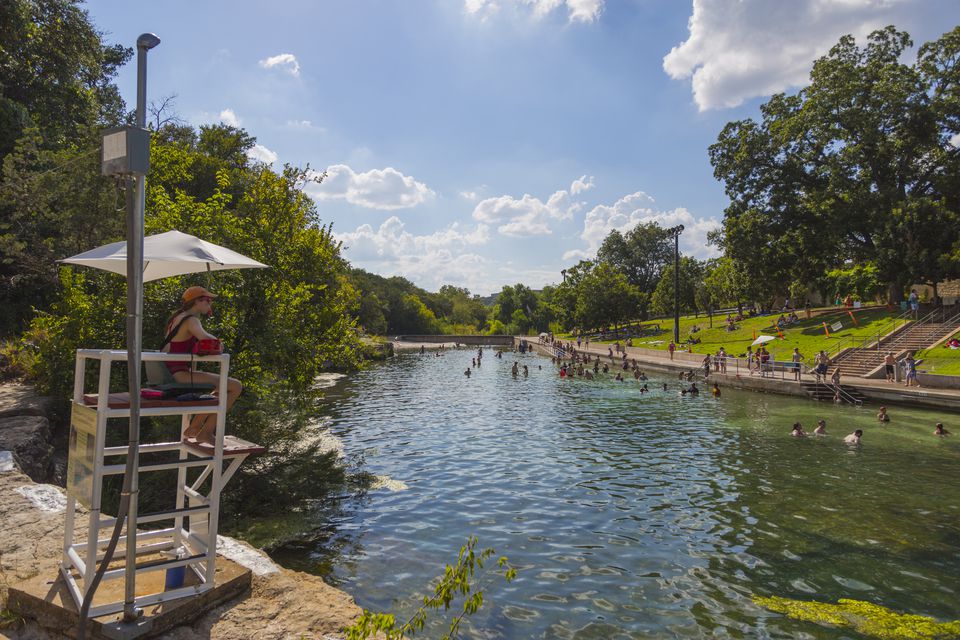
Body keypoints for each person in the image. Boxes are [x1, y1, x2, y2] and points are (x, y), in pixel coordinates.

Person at [162, 286, 243, 448]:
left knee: (224, 385)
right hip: (181, 375)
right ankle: (203, 431)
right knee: (235, 386)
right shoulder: (191, 320)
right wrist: (219, 344)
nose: (210, 303)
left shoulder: (177, 317)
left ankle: (196, 426)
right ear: (197, 301)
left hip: (173, 373)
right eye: (207, 300)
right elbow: (206, 339)